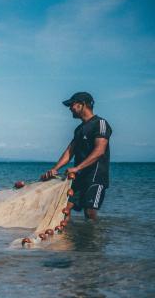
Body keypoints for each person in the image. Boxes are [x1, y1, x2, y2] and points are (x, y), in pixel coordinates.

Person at [42, 92, 112, 220]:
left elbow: (100, 150)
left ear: (82, 105)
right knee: (64, 210)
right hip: (79, 177)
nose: (70, 108)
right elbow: (70, 151)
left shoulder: (100, 123)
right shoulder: (79, 129)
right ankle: (66, 239)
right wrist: (55, 169)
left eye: (72, 105)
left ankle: (93, 239)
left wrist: (77, 168)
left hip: (96, 177)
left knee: (89, 212)